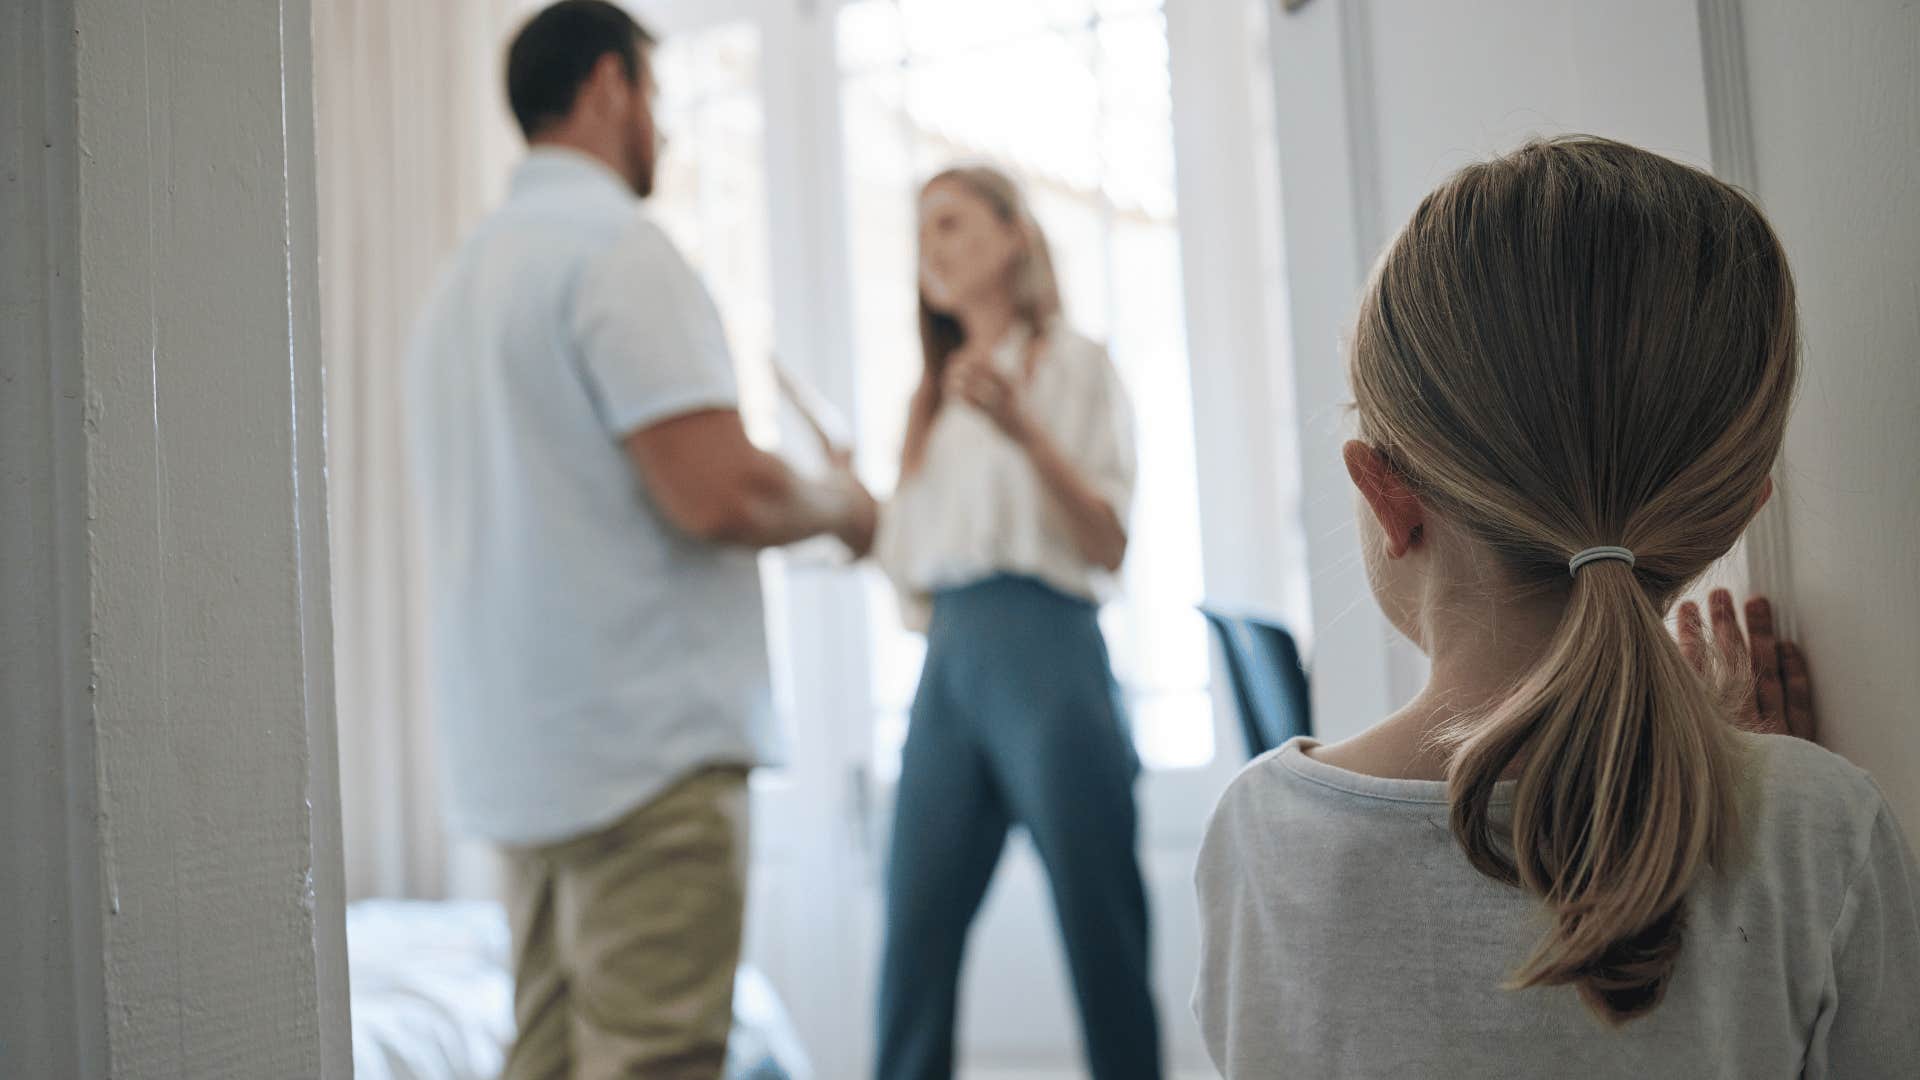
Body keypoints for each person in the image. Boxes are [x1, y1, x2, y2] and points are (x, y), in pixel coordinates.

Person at [1193, 136, 1920, 1077]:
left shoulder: (1261, 839)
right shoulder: (1817, 831)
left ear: (1385, 493)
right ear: (1734, 510)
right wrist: (1771, 813)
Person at [402, 3, 876, 1077]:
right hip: (641, 770)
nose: (661, 124)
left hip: (521, 768)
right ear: (611, 86)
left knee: (548, 1059)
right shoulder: (614, 248)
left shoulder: (455, 291)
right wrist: (846, 507)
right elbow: (719, 494)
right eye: (656, 96)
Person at [870, 165, 1162, 1079]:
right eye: (922, 233)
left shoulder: (1074, 364)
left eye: (951, 224)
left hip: (1050, 653)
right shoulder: (927, 403)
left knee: (1098, 923)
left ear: (1012, 235)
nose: (932, 249)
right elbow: (906, 564)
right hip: (948, 662)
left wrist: (1026, 432)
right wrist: (856, 503)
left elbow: (1108, 541)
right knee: (913, 931)